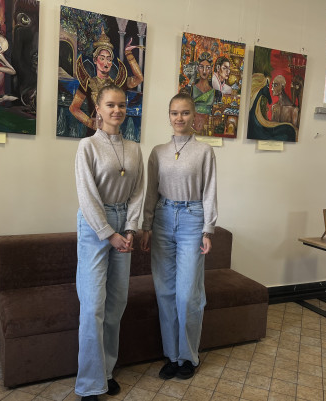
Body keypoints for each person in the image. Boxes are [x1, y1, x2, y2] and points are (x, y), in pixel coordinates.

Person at [140, 92, 217, 381]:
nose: (179, 118)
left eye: (185, 112)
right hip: (162, 219)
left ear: (194, 115)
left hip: (192, 220)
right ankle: (172, 356)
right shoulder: (158, 152)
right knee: (165, 293)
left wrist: (208, 229)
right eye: (174, 112)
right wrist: (146, 225)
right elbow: (150, 191)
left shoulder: (204, 151)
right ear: (169, 116)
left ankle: (188, 357)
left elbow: (209, 191)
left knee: (187, 295)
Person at [74, 84, 144, 401]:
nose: (117, 110)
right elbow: (87, 197)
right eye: (110, 105)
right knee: (92, 306)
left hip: (123, 223)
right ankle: (89, 384)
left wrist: (130, 229)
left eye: (122, 105)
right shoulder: (87, 146)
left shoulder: (134, 148)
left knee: (116, 303)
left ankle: (106, 372)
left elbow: (138, 192)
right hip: (95, 226)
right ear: (98, 109)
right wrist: (109, 233)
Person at [69, 28, 144, 136]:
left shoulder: (117, 84)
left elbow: (139, 78)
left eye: (109, 59)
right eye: (102, 58)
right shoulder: (88, 83)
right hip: (94, 134)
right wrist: (90, 122)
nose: (106, 63)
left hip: (114, 133)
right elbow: (74, 108)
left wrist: (128, 54)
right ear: (95, 60)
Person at [190, 52, 215, 132]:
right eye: (201, 67)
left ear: (211, 69)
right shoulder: (191, 89)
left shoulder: (215, 92)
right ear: (197, 68)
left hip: (207, 130)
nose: (204, 71)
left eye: (208, 67)